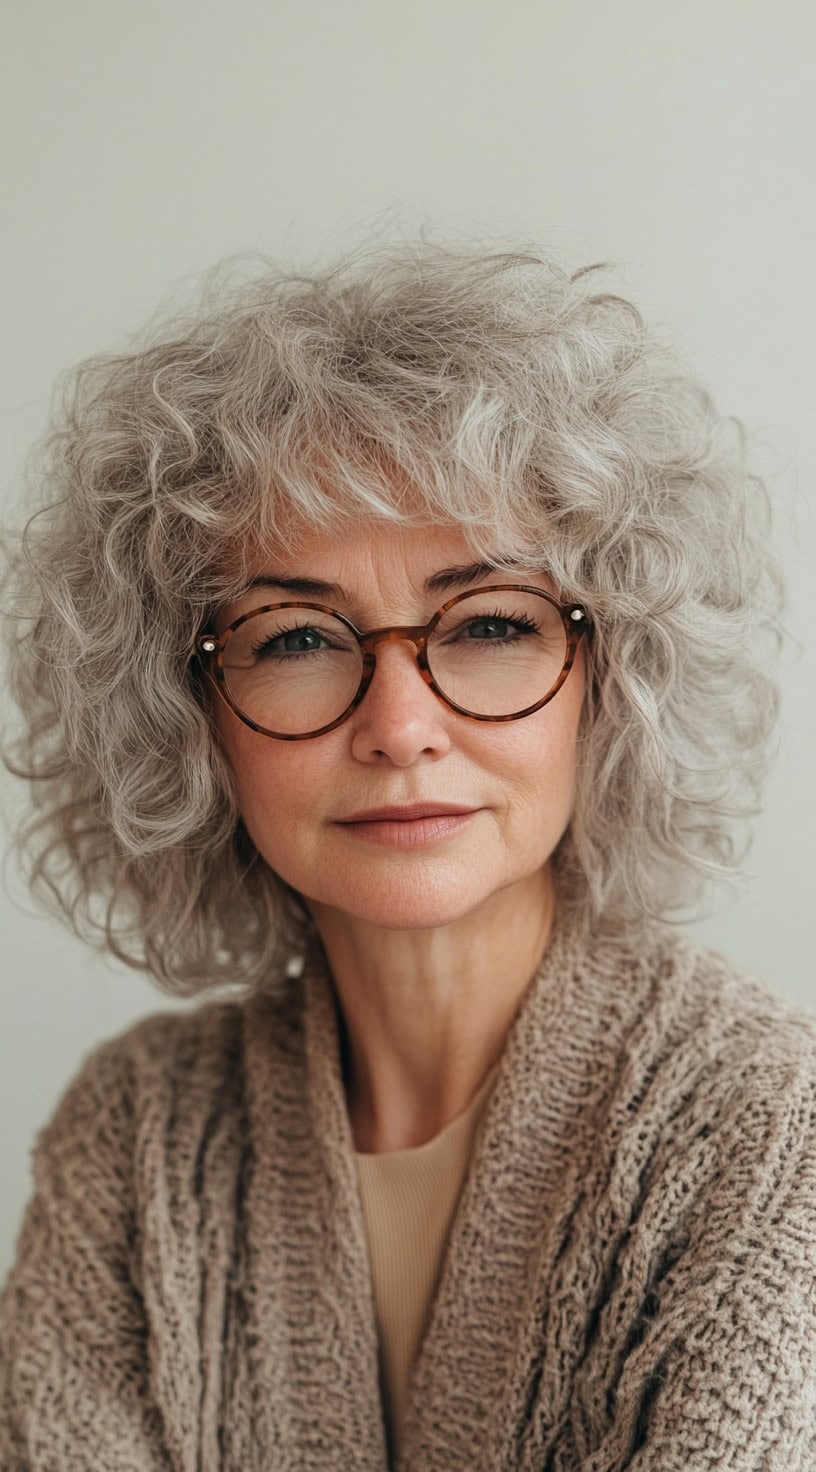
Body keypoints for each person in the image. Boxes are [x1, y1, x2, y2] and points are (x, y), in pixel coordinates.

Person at [1, 240, 814, 1472]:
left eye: (489, 624)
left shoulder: (774, 1132)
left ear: (614, 678)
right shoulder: (134, 1142)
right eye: (295, 638)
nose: (397, 727)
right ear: (188, 713)